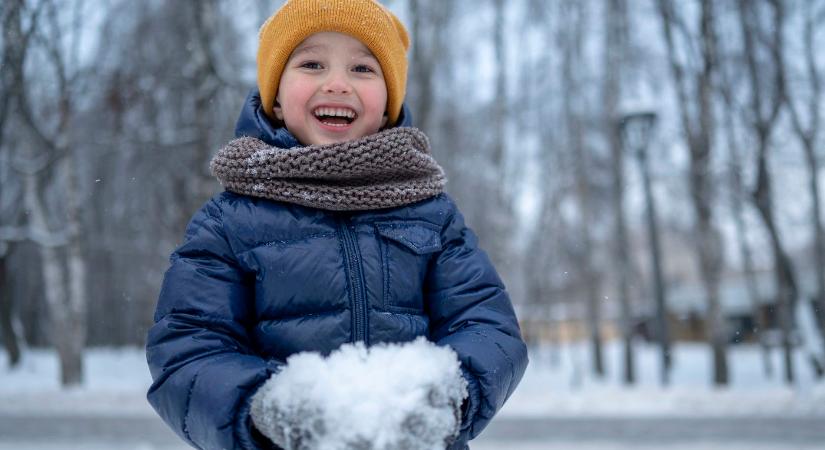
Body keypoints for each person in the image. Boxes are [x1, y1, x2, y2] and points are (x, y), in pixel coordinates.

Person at [145, 0, 528, 449]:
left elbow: (487, 325)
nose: (337, 83)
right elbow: (188, 348)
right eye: (311, 63)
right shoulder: (230, 220)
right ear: (276, 98)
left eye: (363, 69)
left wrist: (451, 394)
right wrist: (264, 406)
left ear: (388, 104)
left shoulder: (429, 212)